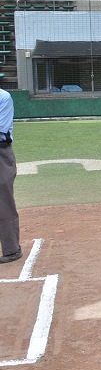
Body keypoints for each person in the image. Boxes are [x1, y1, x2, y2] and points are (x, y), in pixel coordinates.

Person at [0, 87, 21, 264]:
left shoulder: (3, 97)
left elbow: (1, 129)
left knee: (3, 201)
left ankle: (12, 249)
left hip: (1, 154)